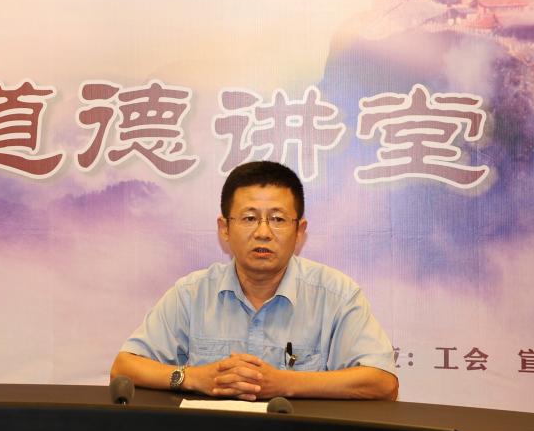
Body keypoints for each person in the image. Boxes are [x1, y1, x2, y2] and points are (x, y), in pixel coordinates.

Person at [111, 161, 398, 401]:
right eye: (249, 218)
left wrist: (284, 383)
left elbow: (382, 383)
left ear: (300, 231)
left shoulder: (336, 294)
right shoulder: (192, 293)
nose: (263, 232)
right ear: (225, 228)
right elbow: (124, 367)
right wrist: (193, 377)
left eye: (278, 219)